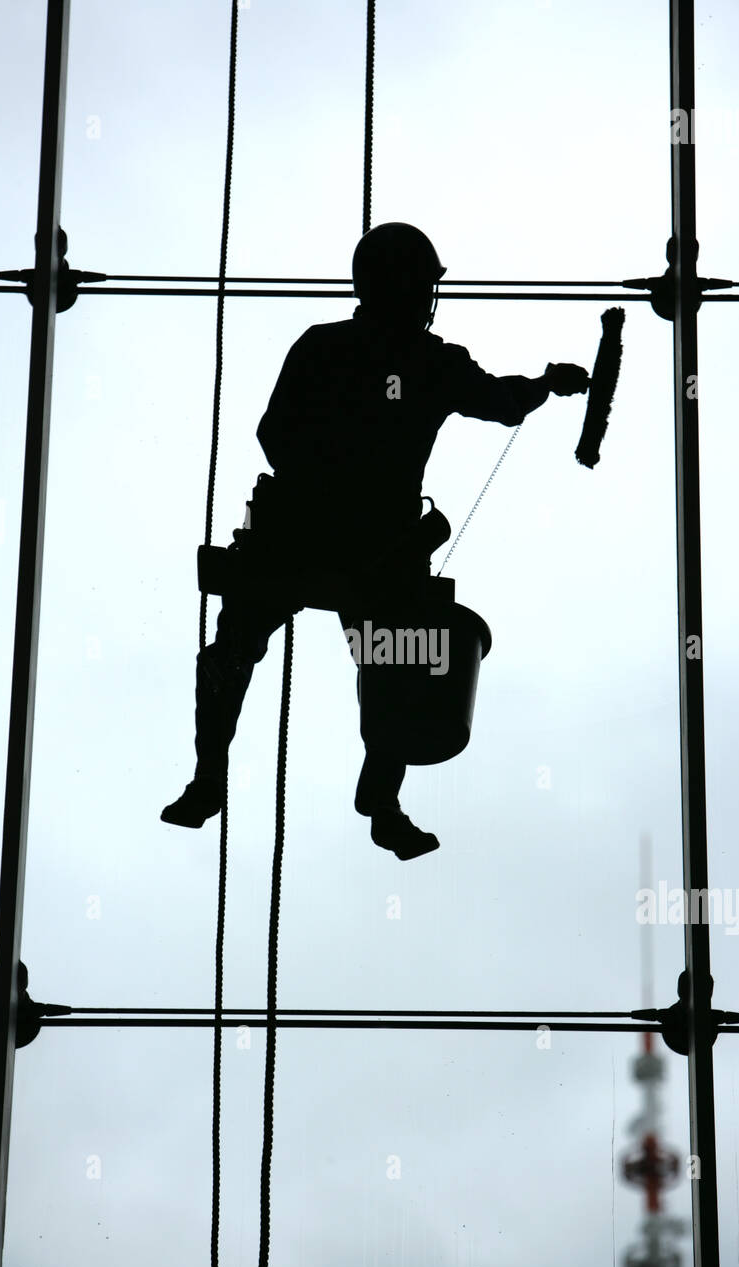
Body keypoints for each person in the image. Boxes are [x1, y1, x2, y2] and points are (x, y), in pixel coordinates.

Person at [161, 223, 588, 858]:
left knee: (267, 652)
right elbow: (497, 401)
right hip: (358, 542)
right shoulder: (420, 361)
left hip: (313, 533)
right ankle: (344, 797)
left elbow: (275, 432)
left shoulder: (350, 350)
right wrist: (545, 384)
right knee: (398, 656)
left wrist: (541, 385)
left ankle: (243, 782)